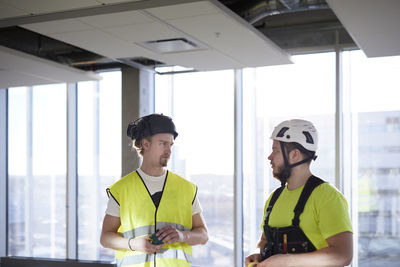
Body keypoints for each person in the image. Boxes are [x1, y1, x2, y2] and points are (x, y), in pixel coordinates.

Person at [100, 113, 208, 267]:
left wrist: (182, 236)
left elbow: (203, 235)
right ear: (146, 144)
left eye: (170, 145)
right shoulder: (121, 190)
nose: (168, 150)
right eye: (163, 143)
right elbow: (105, 238)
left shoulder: (186, 189)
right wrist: (133, 244)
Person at [245, 119, 353, 267]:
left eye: (275, 150)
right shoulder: (274, 198)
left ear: (295, 155)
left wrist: (288, 261)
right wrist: (257, 252)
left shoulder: (327, 196)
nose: (269, 157)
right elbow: (264, 240)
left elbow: (343, 255)